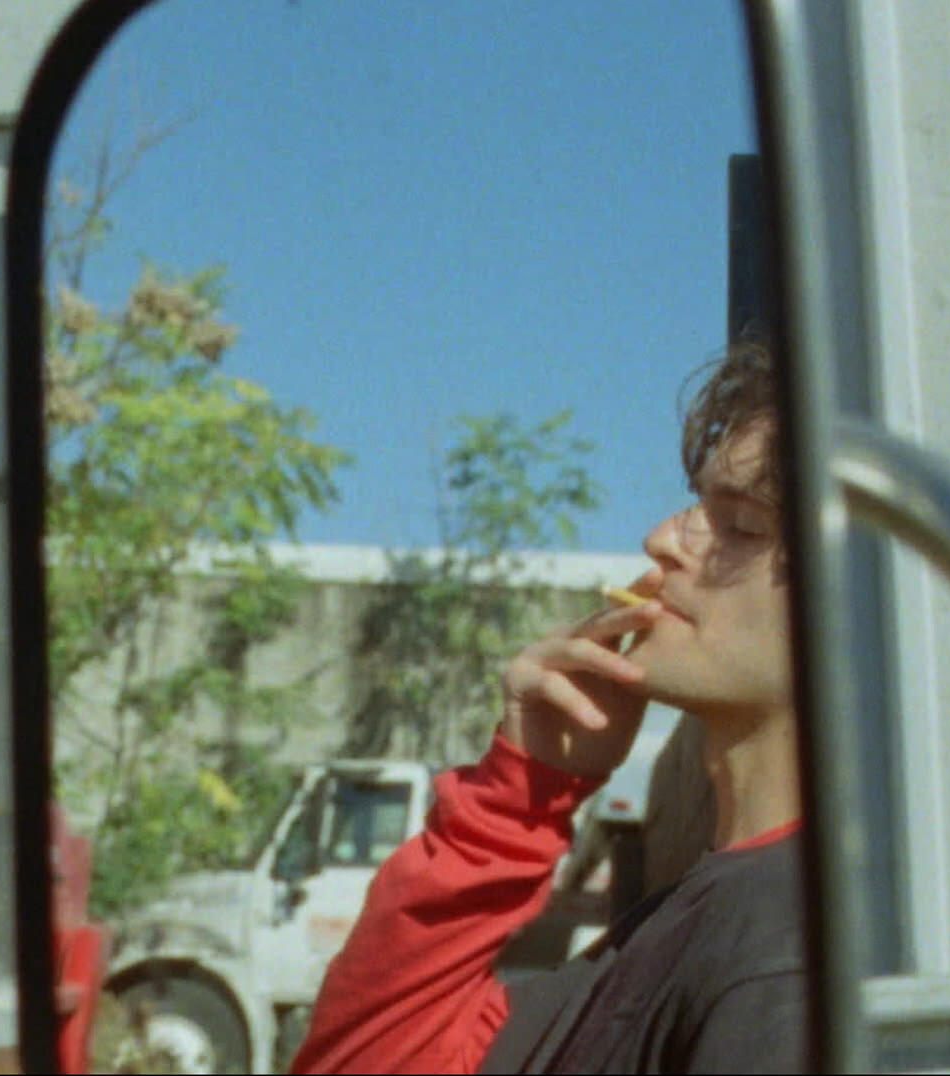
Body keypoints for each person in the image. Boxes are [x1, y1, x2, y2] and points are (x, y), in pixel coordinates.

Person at [290, 335, 806, 1074]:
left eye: (743, 525)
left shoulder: (783, 957)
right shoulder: (690, 915)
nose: (661, 540)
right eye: (694, 506)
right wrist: (516, 799)